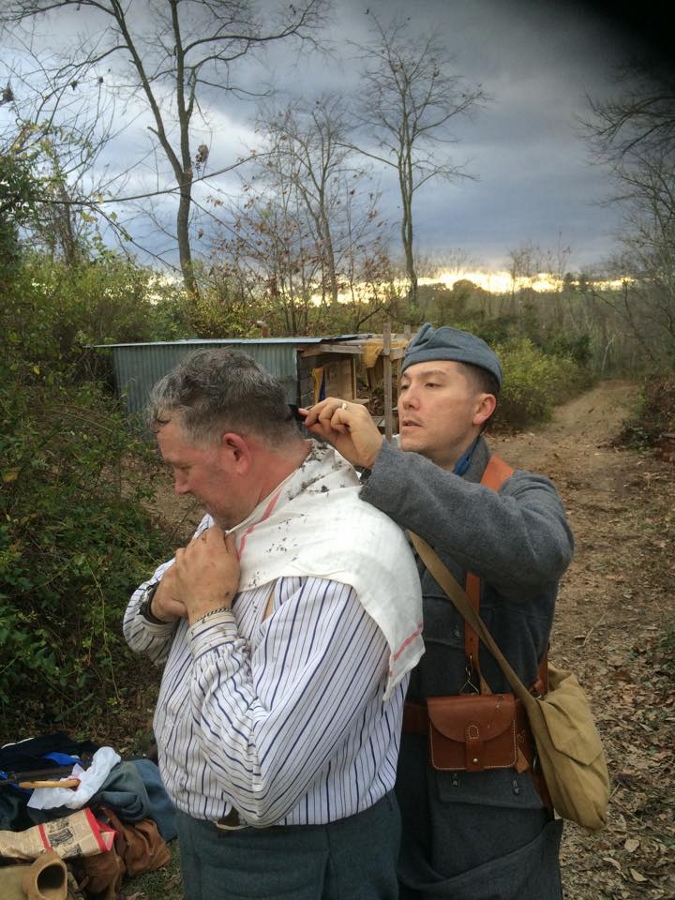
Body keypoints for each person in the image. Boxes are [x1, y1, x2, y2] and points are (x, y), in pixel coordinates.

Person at [123, 347, 424, 900]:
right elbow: (138, 633)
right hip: (211, 842)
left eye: (181, 468)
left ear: (235, 450)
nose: (178, 488)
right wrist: (164, 601)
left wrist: (209, 612)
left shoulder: (340, 565)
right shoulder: (244, 509)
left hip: (298, 861)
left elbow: (262, 786)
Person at [302, 323, 574, 900]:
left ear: (482, 407)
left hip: (484, 794)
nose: (407, 399)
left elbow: (538, 552)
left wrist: (385, 463)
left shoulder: (525, 493)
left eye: (432, 383)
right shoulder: (376, 487)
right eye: (403, 385)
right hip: (383, 775)